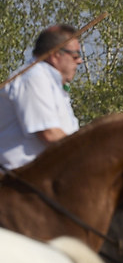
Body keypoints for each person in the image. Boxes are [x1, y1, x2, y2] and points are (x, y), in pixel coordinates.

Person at [0, 24, 83, 169]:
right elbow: (50, 134)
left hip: (44, 176)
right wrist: (90, 150)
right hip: (20, 178)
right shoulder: (34, 78)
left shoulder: (51, 82)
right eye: (75, 56)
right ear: (56, 55)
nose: (79, 61)